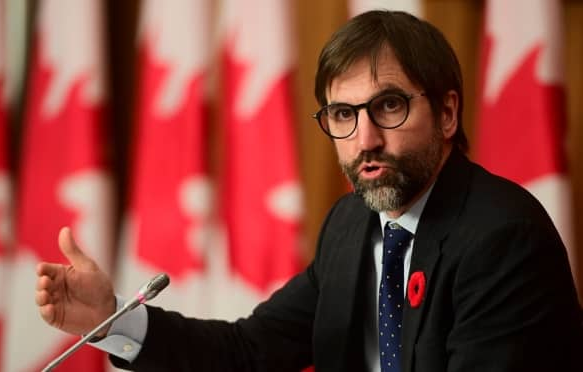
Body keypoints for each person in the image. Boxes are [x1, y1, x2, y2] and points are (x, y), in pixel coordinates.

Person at [35, 10, 583, 372]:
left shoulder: (502, 238)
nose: (365, 139)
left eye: (388, 106)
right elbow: (251, 351)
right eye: (343, 114)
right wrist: (111, 318)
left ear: (446, 112)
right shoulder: (350, 226)